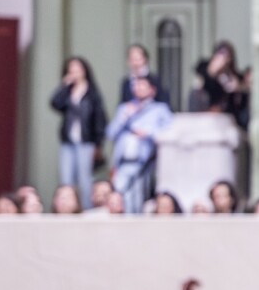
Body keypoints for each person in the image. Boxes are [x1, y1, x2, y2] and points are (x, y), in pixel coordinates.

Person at [106, 75, 172, 214]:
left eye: (143, 85)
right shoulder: (125, 108)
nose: (139, 88)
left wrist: (148, 133)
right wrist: (124, 117)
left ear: (152, 90)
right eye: (136, 85)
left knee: (140, 198)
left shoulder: (160, 109)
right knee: (121, 196)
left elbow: (169, 134)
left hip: (145, 163)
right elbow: (110, 133)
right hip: (123, 162)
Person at [50, 56, 108, 210]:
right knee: (66, 177)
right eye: (71, 69)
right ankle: (66, 209)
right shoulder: (68, 91)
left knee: (85, 179)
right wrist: (64, 86)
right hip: (68, 141)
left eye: (77, 69)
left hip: (86, 141)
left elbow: (100, 118)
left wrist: (98, 144)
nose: (74, 72)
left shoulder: (92, 93)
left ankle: (86, 209)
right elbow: (55, 103)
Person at [194, 40, 251, 129]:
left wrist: (239, 87)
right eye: (222, 54)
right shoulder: (204, 67)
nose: (225, 59)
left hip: (229, 117)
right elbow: (202, 77)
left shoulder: (234, 76)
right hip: (207, 115)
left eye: (228, 56)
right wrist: (213, 70)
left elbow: (244, 92)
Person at [119, 44, 172, 108]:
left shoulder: (155, 80)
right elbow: (122, 103)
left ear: (145, 59)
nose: (135, 63)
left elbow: (163, 101)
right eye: (132, 59)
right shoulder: (126, 82)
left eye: (138, 59)